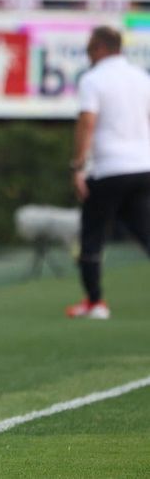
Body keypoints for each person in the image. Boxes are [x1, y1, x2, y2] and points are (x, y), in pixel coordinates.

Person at [66, 26, 150, 320]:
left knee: (92, 236)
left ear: (101, 48)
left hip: (108, 169)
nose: (88, 54)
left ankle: (95, 303)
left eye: (90, 48)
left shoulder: (93, 79)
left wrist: (78, 166)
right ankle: (93, 301)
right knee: (145, 231)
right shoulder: (141, 77)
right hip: (142, 167)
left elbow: (87, 122)